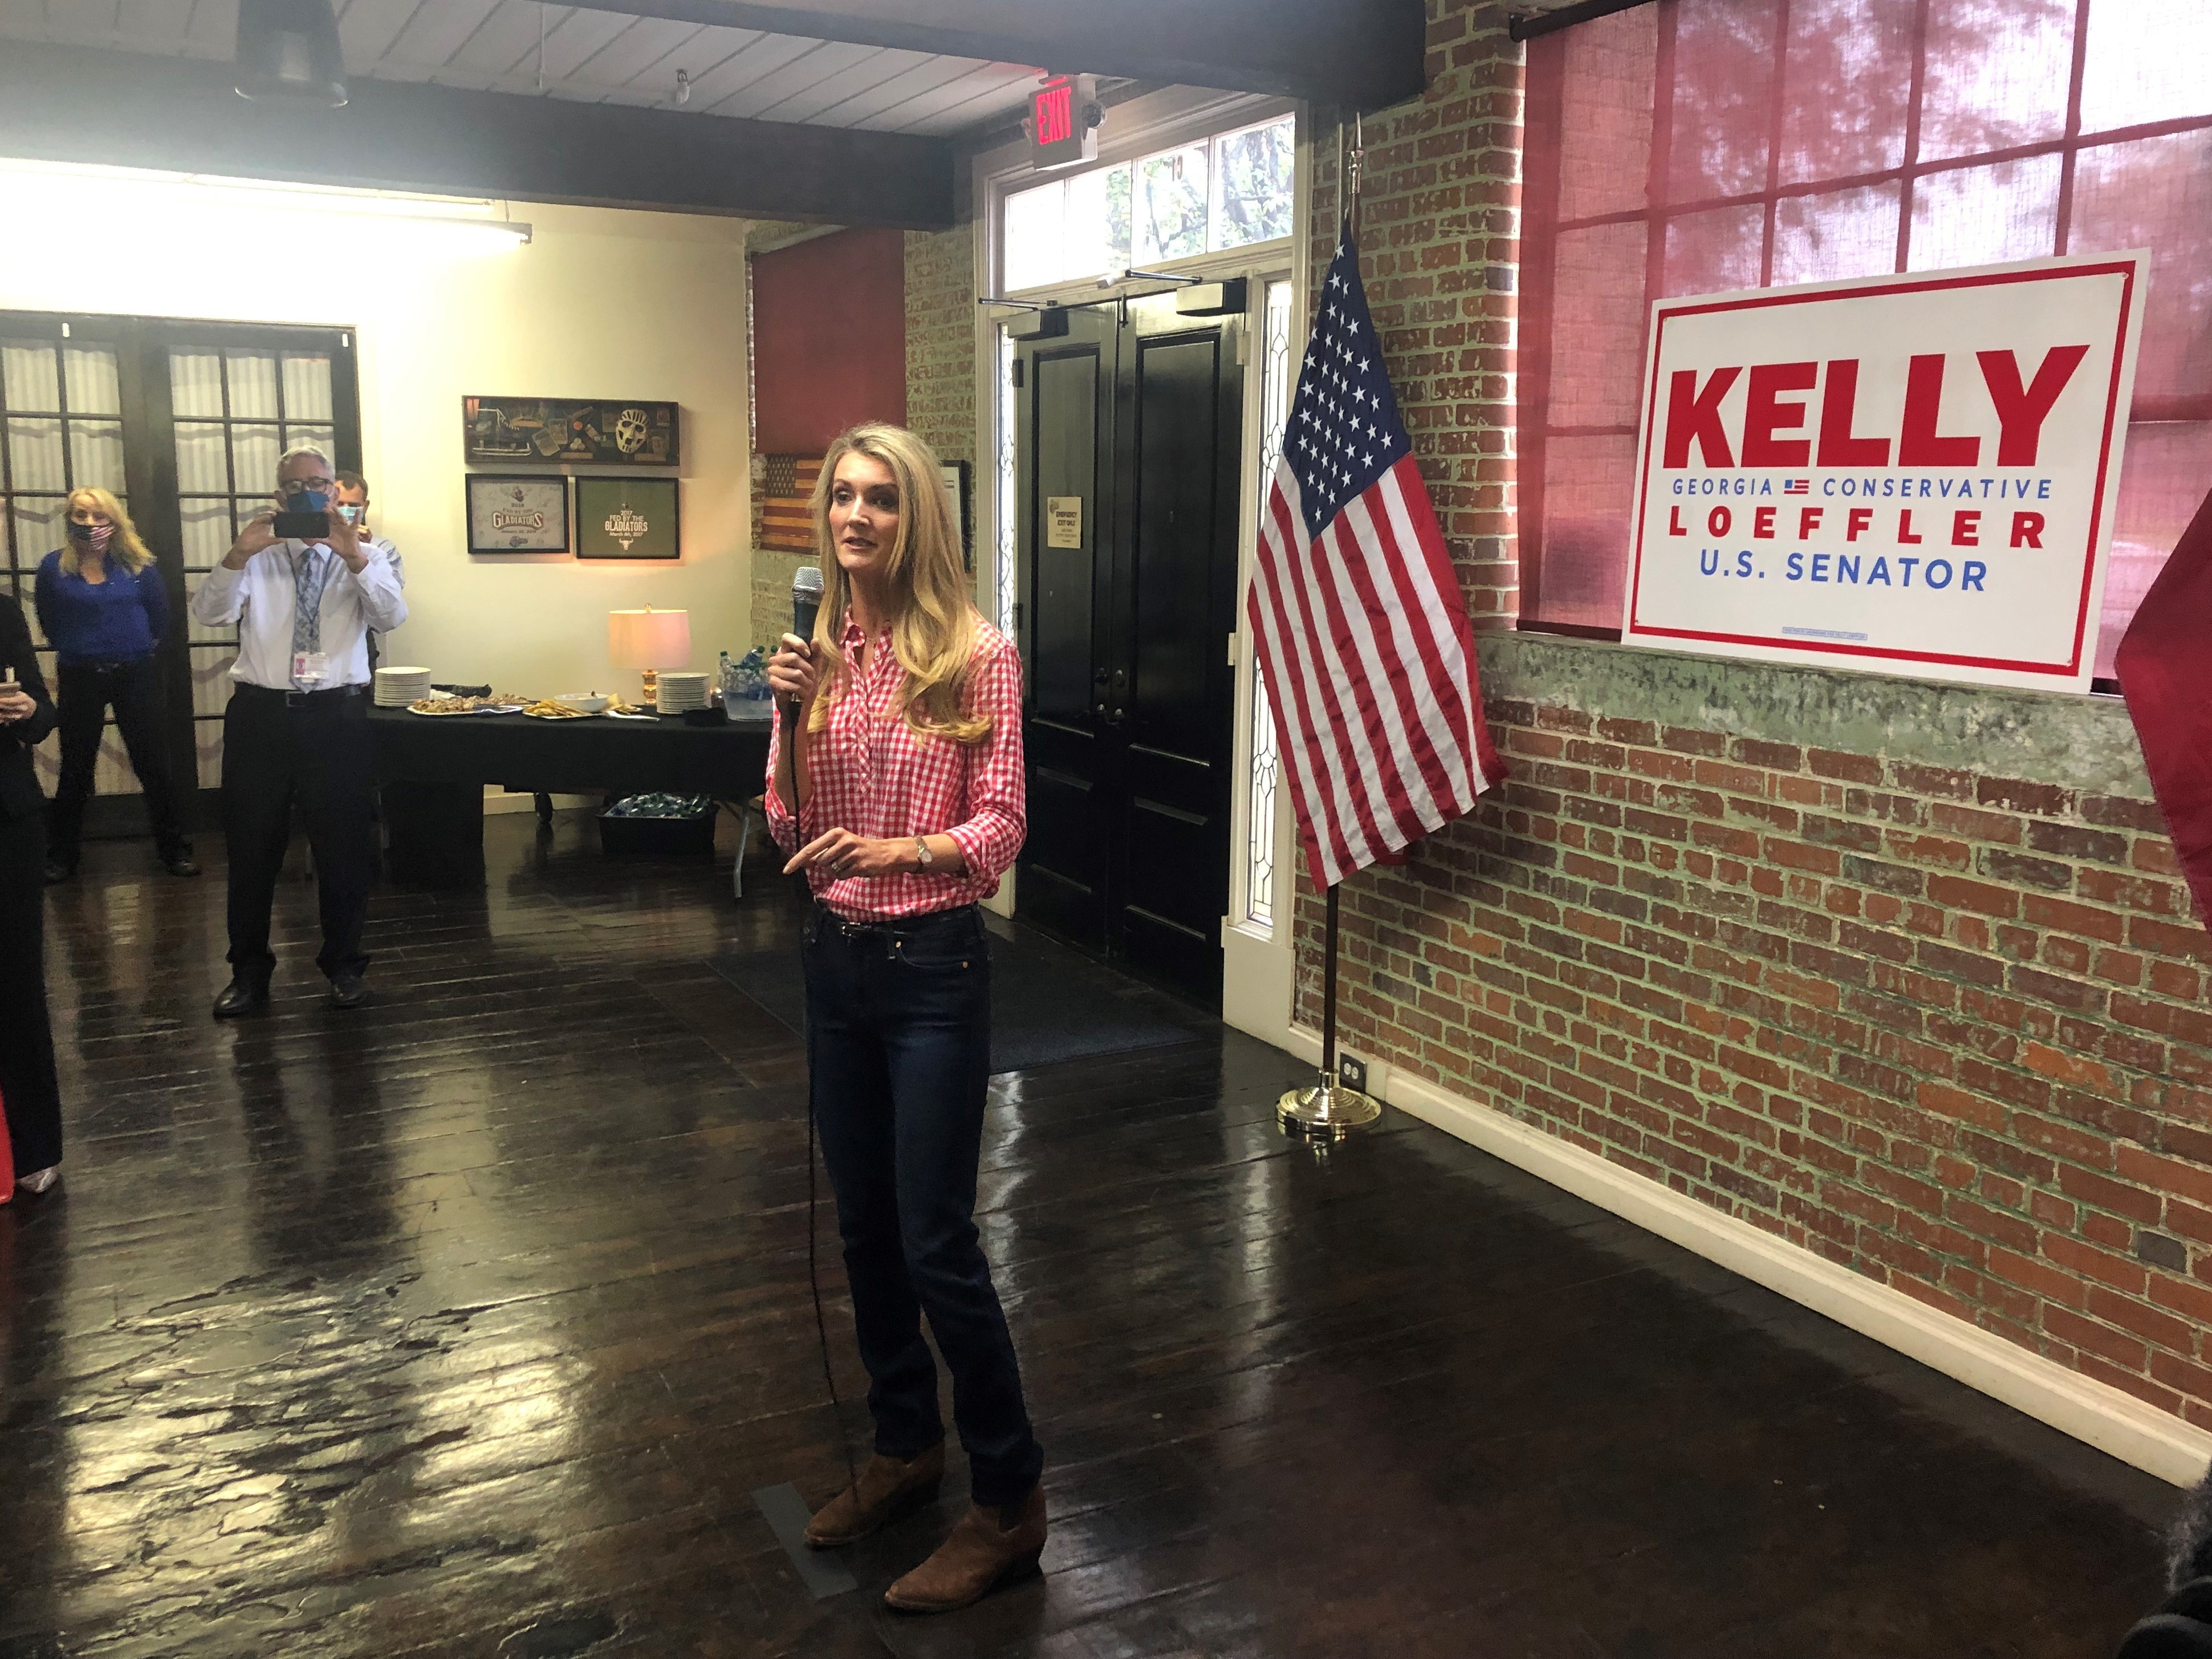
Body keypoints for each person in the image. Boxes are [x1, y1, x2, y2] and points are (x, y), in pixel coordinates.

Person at [764, 422, 1046, 1616]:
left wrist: (897, 848)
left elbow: (1000, 830)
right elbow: (786, 828)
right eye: (841, 497)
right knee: (865, 1228)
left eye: (879, 499)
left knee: (936, 1237)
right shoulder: (821, 647)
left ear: (916, 515)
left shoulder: (976, 655)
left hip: (930, 965)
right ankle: (902, 1443)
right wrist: (782, 723)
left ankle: (1007, 1498)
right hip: (835, 965)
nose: (855, 516)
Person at [189, 443, 406, 1018]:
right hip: (261, 717)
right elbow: (209, 613)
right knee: (252, 850)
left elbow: (390, 617)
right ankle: (249, 974)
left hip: (336, 716)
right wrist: (238, 554)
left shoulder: (372, 550)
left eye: (318, 481)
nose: (307, 491)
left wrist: (353, 556)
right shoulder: (258, 551)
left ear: (337, 489)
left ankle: (344, 967)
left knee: (344, 851)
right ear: (278, 494)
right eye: (294, 485)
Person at [34, 487, 197, 884]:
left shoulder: (140, 567)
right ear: (69, 520)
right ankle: (63, 856)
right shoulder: (54, 568)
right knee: (75, 767)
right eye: (80, 515)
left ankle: (175, 850)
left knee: (154, 765)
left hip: (134, 673)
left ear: (114, 521)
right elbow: (50, 621)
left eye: (98, 516)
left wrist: (132, 647)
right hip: (80, 675)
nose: (89, 524)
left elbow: (160, 620)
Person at [0, 589, 65, 1196]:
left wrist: (26, 709)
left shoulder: (0, 610)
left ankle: (33, 1146)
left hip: (7, 814)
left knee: (17, 980)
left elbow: (45, 716)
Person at [332, 470, 405, 670]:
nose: (345, 510)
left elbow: (391, 603)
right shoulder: (317, 544)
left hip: (362, 639)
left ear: (365, 507)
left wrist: (366, 552)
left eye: (353, 506)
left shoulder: (382, 548)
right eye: (340, 505)